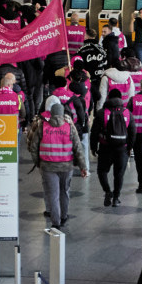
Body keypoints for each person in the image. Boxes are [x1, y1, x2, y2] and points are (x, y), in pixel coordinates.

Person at [25, 98, 88, 229]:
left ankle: (56, 222)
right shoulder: (69, 127)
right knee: (64, 192)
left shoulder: (43, 127)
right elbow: (78, 148)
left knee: (53, 195)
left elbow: (33, 147)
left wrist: (38, 163)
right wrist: (83, 167)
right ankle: (64, 216)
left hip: (48, 167)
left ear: (51, 113)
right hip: (67, 167)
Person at [91, 88, 133, 207]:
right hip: (122, 149)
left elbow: (94, 132)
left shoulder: (101, 113)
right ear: (120, 99)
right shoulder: (127, 113)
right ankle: (116, 198)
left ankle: (107, 191)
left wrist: (93, 147)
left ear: (108, 98)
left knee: (102, 171)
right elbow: (133, 132)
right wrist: (129, 147)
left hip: (105, 147)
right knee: (119, 174)